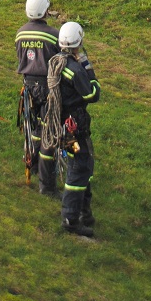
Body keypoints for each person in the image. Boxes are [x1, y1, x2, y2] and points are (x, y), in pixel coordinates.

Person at [45, 21, 100, 237]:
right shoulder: (75, 70)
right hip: (74, 129)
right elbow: (92, 95)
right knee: (80, 166)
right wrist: (89, 70)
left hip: (62, 125)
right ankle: (70, 219)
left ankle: (85, 213)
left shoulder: (56, 62)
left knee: (81, 164)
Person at [15, 0, 60, 195]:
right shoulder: (53, 35)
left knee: (32, 128)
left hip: (28, 87)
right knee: (47, 132)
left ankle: (32, 164)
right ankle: (46, 183)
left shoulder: (20, 33)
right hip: (48, 88)